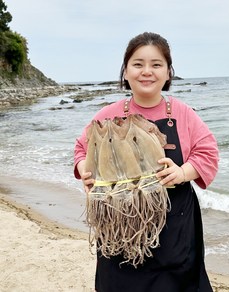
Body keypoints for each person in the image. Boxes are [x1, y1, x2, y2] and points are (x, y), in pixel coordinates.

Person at [74, 32, 219, 292]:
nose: (147, 72)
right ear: (126, 72)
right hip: (119, 227)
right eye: (138, 64)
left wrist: (183, 172)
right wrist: (85, 170)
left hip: (174, 226)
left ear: (167, 73)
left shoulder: (183, 113)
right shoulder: (109, 114)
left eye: (156, 65)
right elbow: (81, 148)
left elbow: (208, 153)